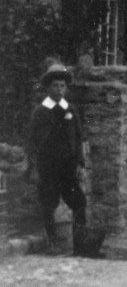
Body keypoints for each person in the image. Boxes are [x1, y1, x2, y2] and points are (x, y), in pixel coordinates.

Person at [27, 63, 88, 255]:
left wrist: (79, 163)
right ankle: (52, 241)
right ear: (48, 87)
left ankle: (81, 244)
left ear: (66, 87)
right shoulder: (40, 112)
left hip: (68, 168)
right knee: (48, 203)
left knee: (79, 202)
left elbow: (78, 138)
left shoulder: (71, 110)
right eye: (55, 86)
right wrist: (34, 167)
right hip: (48, 167)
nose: (59, 89)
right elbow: (31, 142)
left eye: (62, 86)